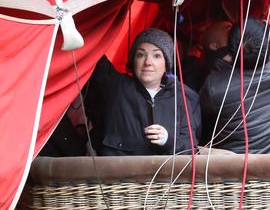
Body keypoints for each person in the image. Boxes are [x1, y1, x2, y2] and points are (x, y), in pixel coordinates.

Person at [200, 0, 270, 154]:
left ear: (229, 52)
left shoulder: (215, 87)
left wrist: (221, 66)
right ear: (269, 46)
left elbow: (202, 124)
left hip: (243, 174)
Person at [85, 28, 201, 156]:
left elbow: (191, 150)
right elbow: (89, 49)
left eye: (157, 56)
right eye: (141, 55)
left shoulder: (180, 97)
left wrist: (167, 140)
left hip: (164, 175)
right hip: (119, 174)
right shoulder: (114, 86)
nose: (148, 62)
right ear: (133, 60)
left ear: (166, 63)